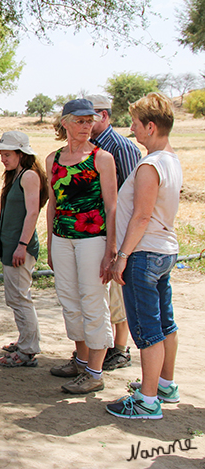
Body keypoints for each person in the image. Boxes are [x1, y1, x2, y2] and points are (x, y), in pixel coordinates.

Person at [105, 93, 182, 420]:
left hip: (144, 254)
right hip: (164, 250)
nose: (132, 129)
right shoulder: (171, 158)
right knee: (165, 323)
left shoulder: (151, 165)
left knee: (147, 330)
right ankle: (164, 384)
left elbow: (141, 216)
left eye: (136, 124)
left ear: (151, 127)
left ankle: (147, 401)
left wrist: (122, 255)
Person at [46, 98, 117, 394]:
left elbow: (112, 207)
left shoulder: (102, 159)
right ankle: (81, 360)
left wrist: (111, 248)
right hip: (63, 238)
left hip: (92, 239)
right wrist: (50, 242)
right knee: (69, 300)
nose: (87, 126)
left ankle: (95, 372)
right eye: (80, 121)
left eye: (90, 121)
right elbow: (52, 204)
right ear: (65, 123)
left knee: (92, 300)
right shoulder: (53, 159)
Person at [85, 94, 142, 372]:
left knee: (117, 294)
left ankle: (121, 349)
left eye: (90, 115)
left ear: (104, 116)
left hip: (117, 232)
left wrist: (121, 243)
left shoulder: (121, 147)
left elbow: (134, 197)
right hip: (94, 232)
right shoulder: (88, 147)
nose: (85, 121)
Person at [0, 131, 48, 367]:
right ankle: (25, 340)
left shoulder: (28, 176)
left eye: (7, 154)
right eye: (2, 154)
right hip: (11, 245)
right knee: (16, 297)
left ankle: (27, 350)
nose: (3, 158)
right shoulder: (16, 175)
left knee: (20, 298)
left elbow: (33, 212)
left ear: (21, 154)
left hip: (19, 247)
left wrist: (22, 245)